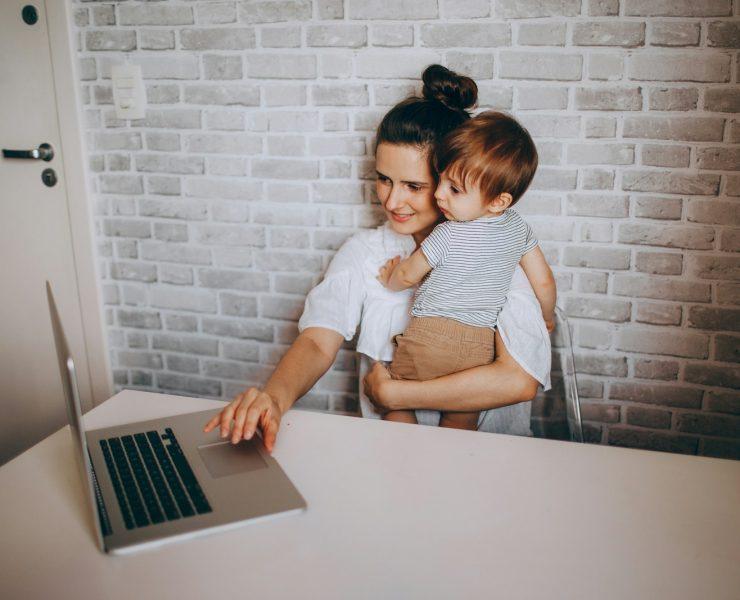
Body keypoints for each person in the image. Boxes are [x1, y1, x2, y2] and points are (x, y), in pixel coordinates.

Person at [203, 65, 551, 452]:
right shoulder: (366, 252)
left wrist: (396, 396)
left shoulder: (496, 257)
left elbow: (518, 380)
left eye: (414, 186)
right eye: (384, 178)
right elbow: (319, 341)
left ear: (455, 181)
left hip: (492, 464)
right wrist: (275, 397)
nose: (391, 200)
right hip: (390, 464)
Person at [376, 111, 556, 431]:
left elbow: (407, 276)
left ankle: (401, 450)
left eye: (454, 189)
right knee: (462, 417)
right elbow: (542, 280)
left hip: (428, 338)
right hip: (478, 348)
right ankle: (451, 469)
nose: (439, 193)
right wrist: (546, 316)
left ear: (499, 201)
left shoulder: (446, 234)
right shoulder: (519, 229)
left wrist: (390, 277)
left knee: (393, 396)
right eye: (441, 179)